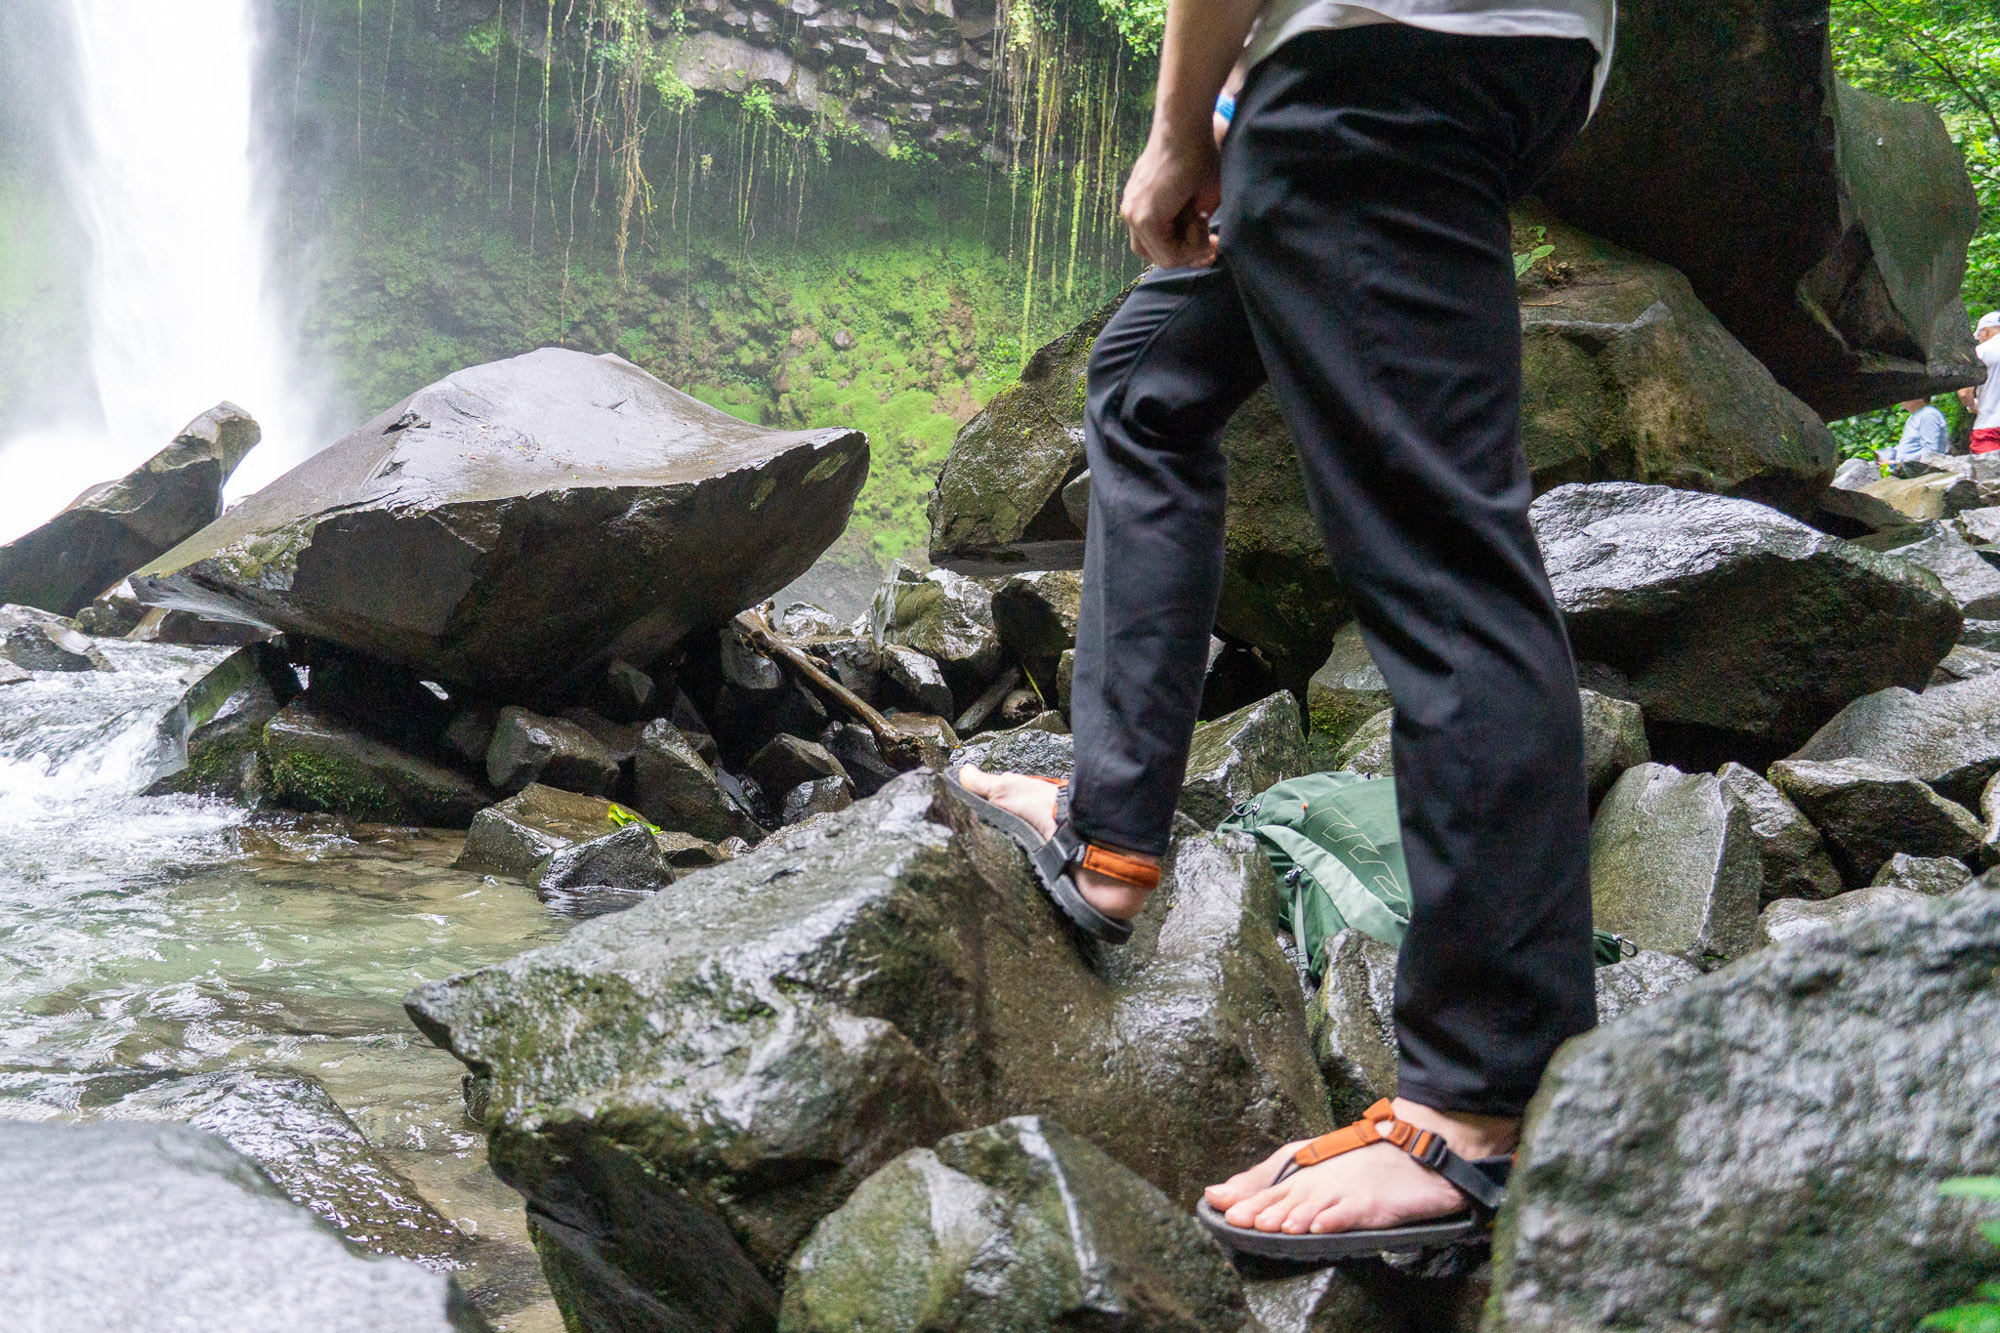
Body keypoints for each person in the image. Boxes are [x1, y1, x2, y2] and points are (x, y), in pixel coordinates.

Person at [953, 0, 1616, 1259]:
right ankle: (1110, 835)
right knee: (1148, 377)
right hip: (1480, 66)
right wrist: (1236, 117)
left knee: (1442, 558)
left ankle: (1476, 1109)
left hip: (1380, 63)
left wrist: (1172, 137)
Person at [1962, 311, 2000, 455]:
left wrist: (1972, 406)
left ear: (1986, 332)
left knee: (1988, 475)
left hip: (1990, 426)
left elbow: (1964, 392)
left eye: (1980, 337)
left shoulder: (1979, 352)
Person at [1887, 397, 1950, 466]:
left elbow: (1931, 451)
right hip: (1906, 464)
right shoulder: (1915, 415)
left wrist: (1900, 462)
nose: (1902, 404)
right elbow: (1906, 445)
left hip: (1922, 467)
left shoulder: (1928, 414)